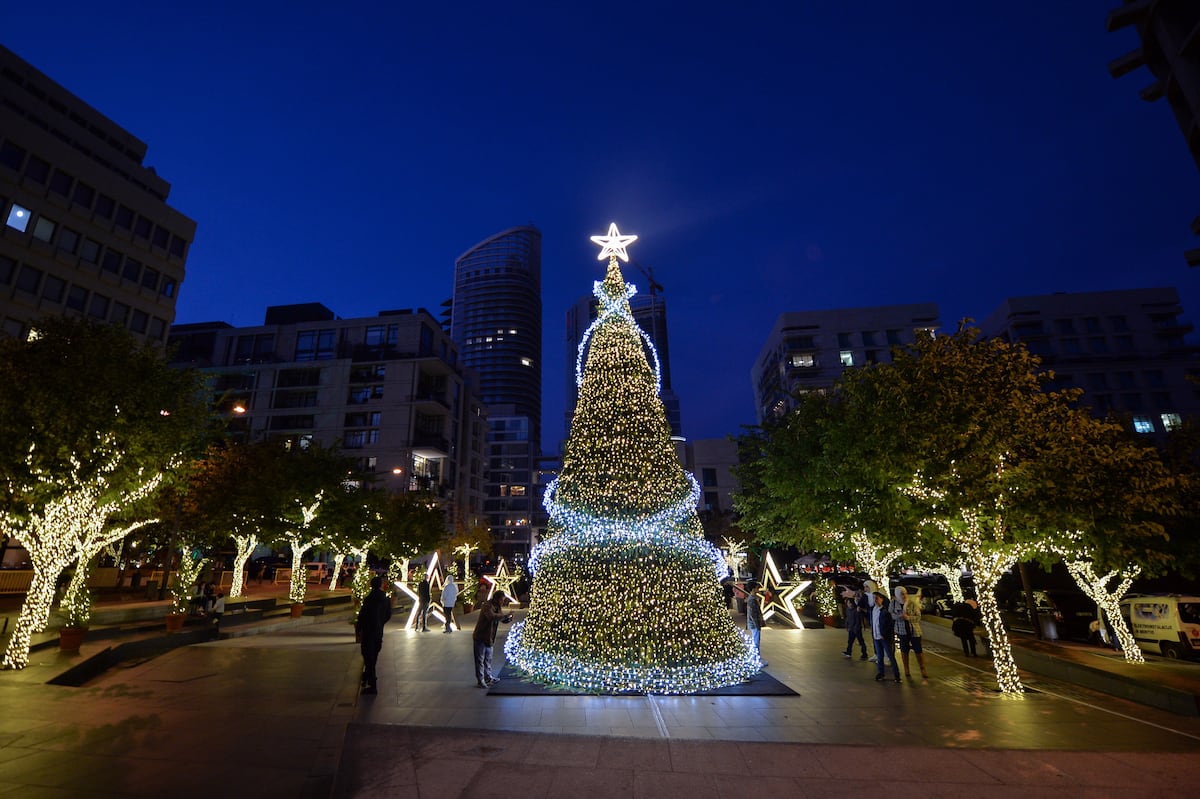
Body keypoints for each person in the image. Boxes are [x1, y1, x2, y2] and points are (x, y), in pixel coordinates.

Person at [355, 575, 392, 694]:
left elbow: (362, 615)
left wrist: (359, 629)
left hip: (368, 632)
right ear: (381, 585)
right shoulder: (385, 599)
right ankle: (367, 677)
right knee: (373, 657)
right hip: (378, 632)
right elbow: (388, 615)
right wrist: (380, 623)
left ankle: (372, 683)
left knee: (368, 657)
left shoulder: (368, 599)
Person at [472, 590, 513, 688]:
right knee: (480, 660)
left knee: (488, 659)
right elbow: (492, 617)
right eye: (501, 600)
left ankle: (488, 677)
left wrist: (508, 618)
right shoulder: (487, 606)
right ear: (496, 599)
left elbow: (501, 618)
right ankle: (480, 680)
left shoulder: (497, 606)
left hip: (489, 637)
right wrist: (506, 615)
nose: (502, 602)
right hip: (481, 636)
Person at [891, 586, 928, 678]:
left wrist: (909, 618)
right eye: (901, 594)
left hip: (914, 630)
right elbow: (891, 615)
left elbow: (918, 617)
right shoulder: (894, 603)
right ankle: (906, 669)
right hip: (902, 630)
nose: (904, 596)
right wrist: (899, 616)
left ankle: (922, 668)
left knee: (918, 650)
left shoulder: (911, 603)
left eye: (905, 593)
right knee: (904, 650)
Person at [870, 591, 902, 683]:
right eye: (874, 598)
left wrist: (885, 635)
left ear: (881, 599)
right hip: (876, 637)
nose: (875, 600)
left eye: (877, 598)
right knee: (879, 656)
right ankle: (881, 673)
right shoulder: (873, 610)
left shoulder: (885, 612)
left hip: (884, 638)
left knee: (890, 656)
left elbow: (889, 625)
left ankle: (897, 675)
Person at [841, 586, 868, 660]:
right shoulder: (848, 610)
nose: (849, 604)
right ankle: (848, 652)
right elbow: (848, 619)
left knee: (860, 641)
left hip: (856, 628)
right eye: (848, 603)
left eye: (850, 603)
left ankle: (864, 653)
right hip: (851, 628)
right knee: (850, 641)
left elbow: (858, 620)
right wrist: (847, 626)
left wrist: (856, 627)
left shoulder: (856, 610)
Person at [745, 580, 766, 667]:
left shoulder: (752, 598)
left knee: (756, 640)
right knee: (756, 641)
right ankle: (756, 658)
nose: (759, 589)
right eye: (757, 588)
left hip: (753, 623)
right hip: (754, 624)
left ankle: (755, 657)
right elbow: (753, 614)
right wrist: (757, 625)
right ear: (753, 589)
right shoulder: (752, 600)